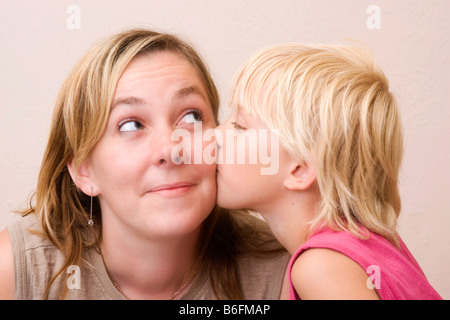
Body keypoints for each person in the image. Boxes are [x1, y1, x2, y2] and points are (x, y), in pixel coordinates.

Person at [0, 28, 290, 300]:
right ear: (84, 170)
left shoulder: (284, 271)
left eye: (191, 117)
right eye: (131, 125)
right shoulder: (15, 270)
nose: (170, 150)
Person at [215, 43, 443, 300]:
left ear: (299, 170)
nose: (216, 134)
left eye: (239, 126)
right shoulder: (363, 245)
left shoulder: (321, 267)